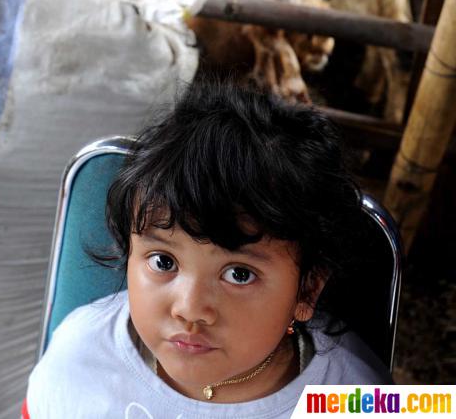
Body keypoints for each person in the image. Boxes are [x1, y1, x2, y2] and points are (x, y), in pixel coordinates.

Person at [25, 80, 391, 417]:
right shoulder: (78, 363)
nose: (190, 310)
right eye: (163, 261)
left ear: (308, 288)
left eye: (239, 274)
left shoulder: (358, 399)